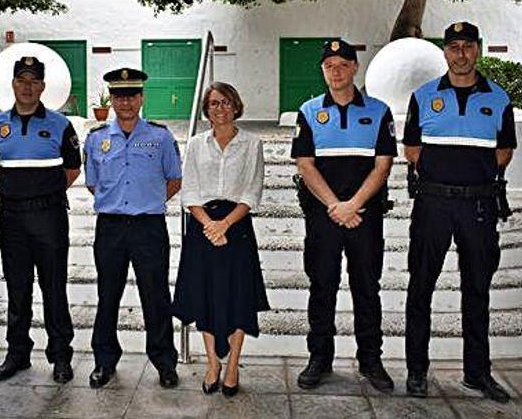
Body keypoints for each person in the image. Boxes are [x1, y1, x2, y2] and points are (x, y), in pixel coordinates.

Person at [403, 21, 516, 403]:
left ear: (478, 50)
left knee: (477, 291)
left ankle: (477, 373)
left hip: (479, 206)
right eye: (454, 47)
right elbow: (413, 151)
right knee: (420, 288)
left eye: (468, 46)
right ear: (445, 52)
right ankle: (417, 371)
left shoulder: (498, 98)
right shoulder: (423, 96)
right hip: (433, 204)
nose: (461, 53)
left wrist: (472, 178)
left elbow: (504, 151)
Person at [291, 38, 397, 393]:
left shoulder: (379, 111)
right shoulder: (308, 112)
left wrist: (353, 205)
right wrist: (336, 206)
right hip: (324, 217)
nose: (335, 71)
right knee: (322, 287)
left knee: (367, 288)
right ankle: (319, 358)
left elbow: (383, 165)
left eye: (342, 64)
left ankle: (371, 360)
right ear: (323, 71)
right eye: (329, 66)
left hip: (365, 216)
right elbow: (305, 165)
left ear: (355, 67)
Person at [82, 68, 181, 389]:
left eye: (131, 95)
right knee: (107, 295)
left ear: (141, 98)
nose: (125, 102)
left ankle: (165, 362)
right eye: (118, 95)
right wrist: (119, 203)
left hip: (148, 227)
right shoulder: (96, 138)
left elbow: (174, 180)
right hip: (110, 227)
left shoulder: (160, 137)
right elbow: (94, 184)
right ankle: (104, 360)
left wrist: (147, 201)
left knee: (155, 296)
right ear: (111, 99)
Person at [0, 56, 80, 383]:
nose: (27, 87)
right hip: (11, 216)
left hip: (48, 215)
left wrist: (43, 192)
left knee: (54, 286)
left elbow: (72, 168)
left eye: (33, 81)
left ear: (42, 86)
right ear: (13, 84)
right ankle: (18, 353)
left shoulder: (60, 125)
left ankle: (61, 355)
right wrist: (21, 192)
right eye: (21, 80)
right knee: (17, 287)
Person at [172, 82, 269, 397]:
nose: (220, 108)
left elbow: (252, 191)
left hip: (237, 227)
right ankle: (213, 363)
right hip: (202, 228)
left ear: (236, 105)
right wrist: (209, 226)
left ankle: (232, 366)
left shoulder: (252, 144)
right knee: (206, 296)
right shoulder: (197, 144)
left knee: (238, 297)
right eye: (213, 103)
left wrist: (225, 225)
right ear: (207, 109)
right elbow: (190, 191)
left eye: (226, 102)